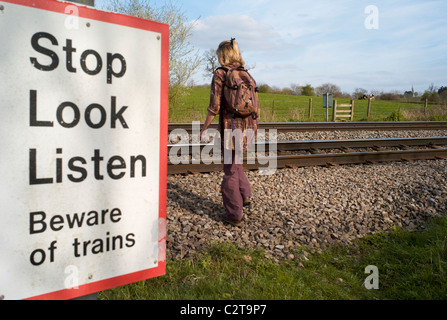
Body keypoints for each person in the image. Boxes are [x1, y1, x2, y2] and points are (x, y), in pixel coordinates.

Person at [200, 39, 259, 226]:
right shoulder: (246, 74)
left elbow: (214, 107)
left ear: (222, 55)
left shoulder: (220, 73)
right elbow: (256, 106)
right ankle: (245, 196)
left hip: (231, 128)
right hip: (249, 127)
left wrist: (204, 128)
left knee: (230, 170)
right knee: (237, 163)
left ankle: (234, 214)